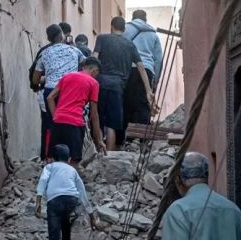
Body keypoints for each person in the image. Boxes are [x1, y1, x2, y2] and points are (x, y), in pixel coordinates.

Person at [35, 144, 98, 240]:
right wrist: (91, 215)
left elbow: (43, 181)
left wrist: (38, 201)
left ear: (52, 159)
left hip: (54, 201)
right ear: (69, 159)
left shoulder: (49, 167)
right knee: (66, 220)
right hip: (71, 199)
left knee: (54, 235)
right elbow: (82, 192)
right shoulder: (72, 170)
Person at [92, 16, 154, 151]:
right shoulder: (130, 45)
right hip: (118, 87)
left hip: (100, 84)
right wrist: (148, 90)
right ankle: (109, 154)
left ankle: (97, 152)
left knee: (97, 117)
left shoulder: (102, 38)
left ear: (111, 27)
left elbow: (94, 58)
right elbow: (141, 67)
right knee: (112, 123)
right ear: (124, 29)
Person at [32, 24, 85, 161]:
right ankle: (73, 157)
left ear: (49, 38)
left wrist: (42, 81)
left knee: (52, 125)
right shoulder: (74, 50)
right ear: (62, 35)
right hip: (71, 90)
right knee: (72, 122)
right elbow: (86, 66)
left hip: (50, 91)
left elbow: (35, 79)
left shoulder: (44, 53)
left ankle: (49, 158)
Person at [45, 57, 107, 165]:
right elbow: (94, 113)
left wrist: (56, 115)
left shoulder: (67, 76)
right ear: (94, 71)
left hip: (58, 121)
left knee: (53, 159)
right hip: (75, 124)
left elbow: (50, 97)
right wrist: (99, 139)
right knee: (74, 160)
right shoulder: (93, 83)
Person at [119, 9, 164, 146]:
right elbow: (158, 60)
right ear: (146, 19)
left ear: (133, 18)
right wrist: (154, 81)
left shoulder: (125, 29)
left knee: (126, 101)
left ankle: (126, 139)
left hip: (128, 69)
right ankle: (143, 139)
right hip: (147, 70)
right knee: (143, 103)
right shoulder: (153, 35)